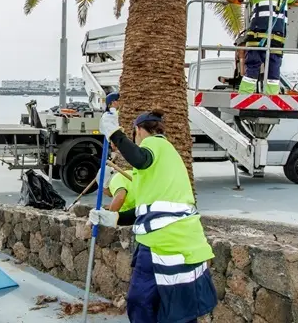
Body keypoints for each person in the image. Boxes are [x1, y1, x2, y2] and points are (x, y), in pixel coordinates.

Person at [88, 109, 217, 322]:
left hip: (163, 242)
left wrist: (114, 133)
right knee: (179, 308)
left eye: (134, 135)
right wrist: (113, 218)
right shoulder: (164, 163)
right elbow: (145, 209)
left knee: (141, 302)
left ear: (139, 130)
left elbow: (140, 158)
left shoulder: (156, 144)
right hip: (183, 242)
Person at [229, 0, 298, 95]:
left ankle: (245, 93)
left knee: (253, 61)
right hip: (279, 31)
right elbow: (297, 0)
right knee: (274, 63)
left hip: (259, 27)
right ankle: (272, 94)